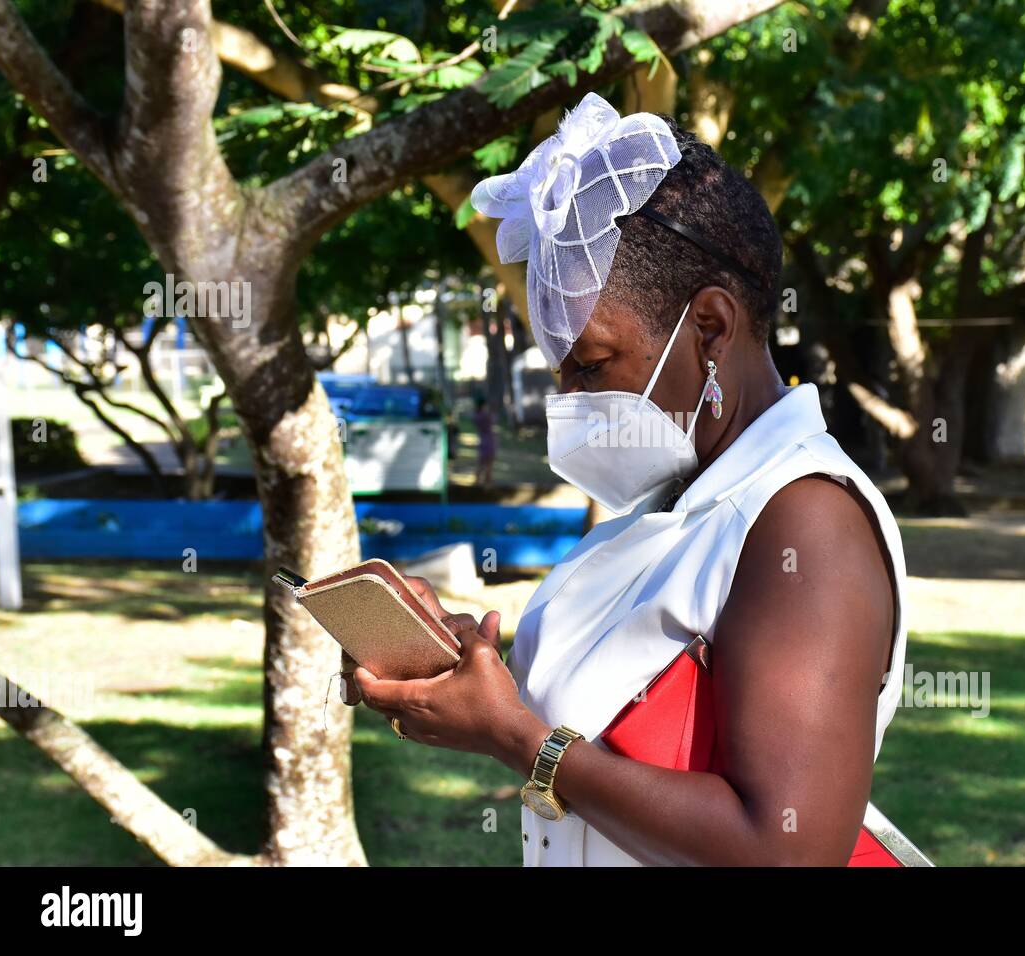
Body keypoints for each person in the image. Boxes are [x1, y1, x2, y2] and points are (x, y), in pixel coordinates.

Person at [343, 93, 908, 866]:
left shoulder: (804, 519)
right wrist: (463, 672)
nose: (571, 398)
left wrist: (513, 737)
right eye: (563, 369)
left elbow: (787, 849)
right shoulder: (673, 500)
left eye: (594, 363)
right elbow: (612, 730)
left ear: (709, 327)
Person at [473, 394, 496, 490]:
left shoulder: (477, 416)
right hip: (488, 441)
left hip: (482, 441)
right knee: (488, 465)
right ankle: (487, 485)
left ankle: (477, 484)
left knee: (481, 464)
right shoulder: (486, 415)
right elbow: (493, 419)